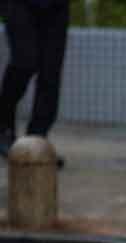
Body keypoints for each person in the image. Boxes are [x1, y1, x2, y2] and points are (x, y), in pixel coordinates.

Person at [0, 0, 70, 163]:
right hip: (19, 4)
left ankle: (37, 142)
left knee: (50, 72)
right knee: (24, 62)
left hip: (56, 6)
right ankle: (4, 127)